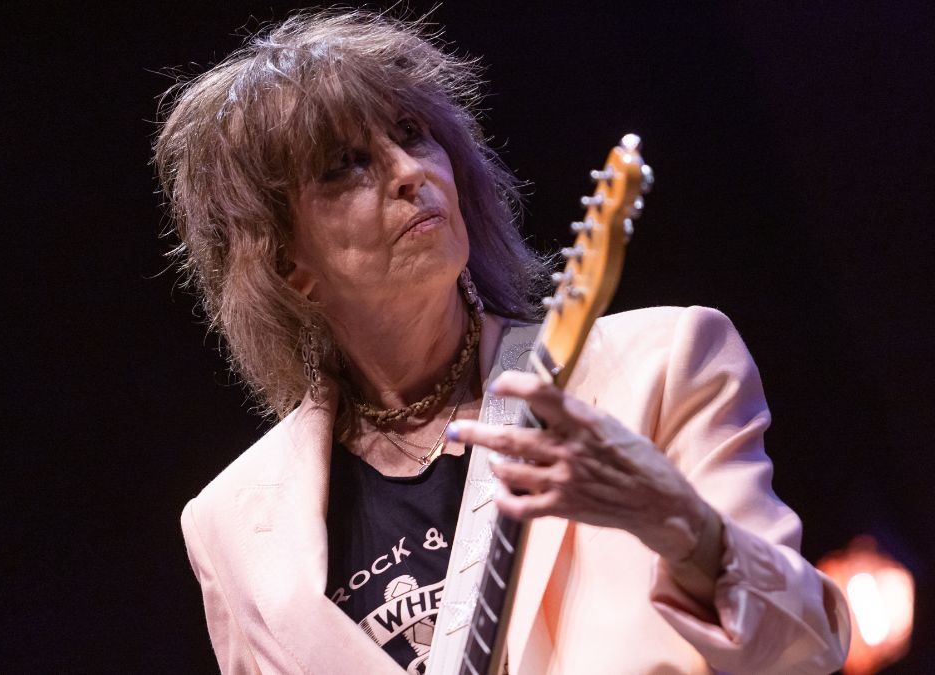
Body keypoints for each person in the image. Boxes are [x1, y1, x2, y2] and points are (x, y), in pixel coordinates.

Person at [154, 9, 850, 675]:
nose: (409, 172)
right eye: (345, 164)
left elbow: (807, 646)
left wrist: (682, 524)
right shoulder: (231, 527)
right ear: (286, 266)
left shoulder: (660, 364)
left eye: (413, 132)